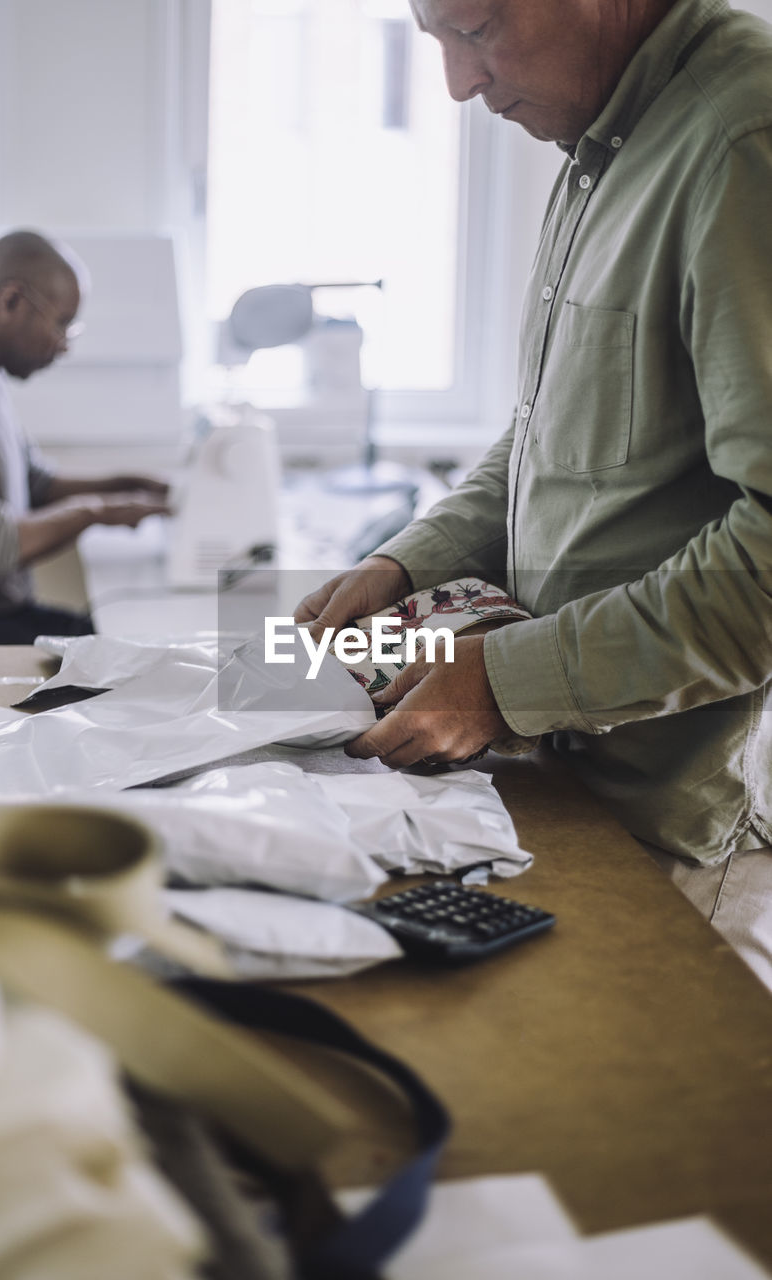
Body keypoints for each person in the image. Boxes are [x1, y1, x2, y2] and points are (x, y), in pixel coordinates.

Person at [296, 0, 772, 986]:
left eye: (474, 29)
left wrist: (504, 683)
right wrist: (407, 559)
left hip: (661, 822)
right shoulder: (604, 142)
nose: (457, 85)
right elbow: (545, 429)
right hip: (549, 777)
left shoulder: (741, 141)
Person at [0, 230, 171, 644]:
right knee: (131, 654)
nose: (65, 346)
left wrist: (126, 485)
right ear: (11, 301)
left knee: (131, 642)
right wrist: (94, 512)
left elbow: (33, 483)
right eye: (61, 324)